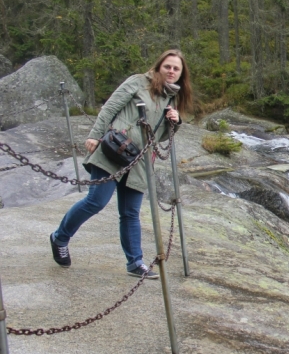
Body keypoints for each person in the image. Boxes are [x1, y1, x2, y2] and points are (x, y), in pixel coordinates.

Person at [49, 49, 193, 278]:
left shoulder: (172, 98)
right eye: (168, 66)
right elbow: (110, 107)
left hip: (140, 161)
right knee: (95, 201)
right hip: (114, 149)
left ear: (181, 74)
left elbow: (161, 136)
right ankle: (60, 237)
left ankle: (135, 263)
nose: (171, 71)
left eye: (176, 68)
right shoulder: (138, 82)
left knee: (130, 212)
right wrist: (95, 135)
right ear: (159, 66)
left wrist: (175, 122)